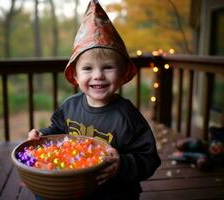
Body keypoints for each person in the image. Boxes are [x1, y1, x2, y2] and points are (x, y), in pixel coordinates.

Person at [28, 0, 161, 199]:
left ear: (122, 73)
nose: (98, 75)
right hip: (75, 184)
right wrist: (41, 135)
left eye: (107, 67)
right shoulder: (70, 106)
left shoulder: (127, 116)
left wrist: (122, 165)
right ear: (75, 75)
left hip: (112, 187)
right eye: (88, 68)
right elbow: (57, 131)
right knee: (43, 193)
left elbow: (149, 159)